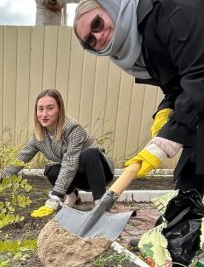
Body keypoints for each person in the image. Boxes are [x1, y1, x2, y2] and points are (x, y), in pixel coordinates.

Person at [73, 0, 203, 199]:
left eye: (97, 23)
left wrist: (166, 140)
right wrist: (166, 109)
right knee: (190, 182)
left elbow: (199, 75)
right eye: (90, 40)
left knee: (193, 179)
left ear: (110, 6)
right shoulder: (139, 45)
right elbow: (176, 83)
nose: (98, 36)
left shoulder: (167, 9)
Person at [0, 89, 115, 217]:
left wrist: (55, 198)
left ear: (59, 110)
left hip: (100, 172)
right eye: (40, 109)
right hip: (79, 176)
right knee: (51, 170)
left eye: (50, 108)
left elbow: (70, 163)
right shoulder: (39, 135)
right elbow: (22, 157)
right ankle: (74, 197)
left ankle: (100, 205)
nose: (44, 114)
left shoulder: (73, 129)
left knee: (89, 153)